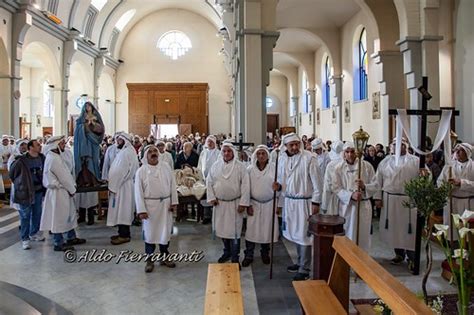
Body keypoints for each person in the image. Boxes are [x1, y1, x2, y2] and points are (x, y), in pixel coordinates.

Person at [273, 133, 323, 281]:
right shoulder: (281, 159)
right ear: (286, 146)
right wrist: (279, 187)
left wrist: (316, 202)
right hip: (289, 202)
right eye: (291, 145)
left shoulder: (309, 158)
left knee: (304, 236)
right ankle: (300, 261)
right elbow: (283, 182)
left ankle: (305, 269)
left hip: (304, 202)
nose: (294, 147)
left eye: (297, 144)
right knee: (295, 233)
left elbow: (317, 183)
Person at [374, 138, 420, 270]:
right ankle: (399, 254)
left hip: (408, 200)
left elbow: (425, 176)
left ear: (406, 146)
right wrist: (378, 198)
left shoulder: (415, 161)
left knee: (409, 231)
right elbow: (378, 180)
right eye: (394, 144)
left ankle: (412, 258)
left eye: (400, 144)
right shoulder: (385, 162)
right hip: (390, 200)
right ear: (391, 147)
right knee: (395, 230)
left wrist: (424, 175)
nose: (397, 146)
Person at [135, 145, 178, 272]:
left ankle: (165, 256)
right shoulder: (141, 171)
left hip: (165, 205)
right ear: (146, 155)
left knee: (165, 232)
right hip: (149, 208)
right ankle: (149, 259)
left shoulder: (165, 167)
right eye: (150, 152)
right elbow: (138, 192)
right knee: (150, 234)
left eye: (155, 151)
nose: (153, 153)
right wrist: (141, 210)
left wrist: (174, 202)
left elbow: (172, 185)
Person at [206, 142, 250, 266]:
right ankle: (227, 252)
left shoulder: (240, 167)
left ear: (233, 152)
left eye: (229, 151)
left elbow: (246, 185)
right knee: (222, 231)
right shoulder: (215, 166)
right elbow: (209, 182)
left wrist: (243, 203)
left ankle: (235, 257)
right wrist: (212, 197)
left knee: (234, 233)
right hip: (220, 204)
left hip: (235, 205)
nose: (226, 153)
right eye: (224, 151)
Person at [40, 136, 86, 251]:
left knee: (68, 215)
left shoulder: (55, 156)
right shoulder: (54, 159)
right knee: (59, 218)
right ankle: (58, 242)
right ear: (55, 145)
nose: (63, 145)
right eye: (61, 144)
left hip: (62, 191)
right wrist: (72, 189)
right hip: (59, 192)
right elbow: (64, 177)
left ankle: (71, 237)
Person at [332, 142, 377, 252]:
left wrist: (364, 186)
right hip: (347, 206)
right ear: (343, 153)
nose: (350, 154)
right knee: (347, 232)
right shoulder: (338, 168)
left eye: (352, 152)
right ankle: (347, 259)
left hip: (363, 206)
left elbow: (375, 184)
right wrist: (350, 195)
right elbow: (336, 187)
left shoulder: (366, 166)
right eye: (347, 152)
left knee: (362, 234)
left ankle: (362, 259)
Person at [242, 145, 279, 267]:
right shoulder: (249, 169)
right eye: (259, 154)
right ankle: (249, 254)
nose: (261, 156)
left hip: (269, 203)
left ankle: (265, 253)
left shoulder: (274, 168)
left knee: (266, 231)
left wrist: (278, 188)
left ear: (267, 155)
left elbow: (281, 185)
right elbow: (246, 189)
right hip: (254, 204)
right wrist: (247, 204)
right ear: (255, 155)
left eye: (263, 153)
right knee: (251, 232)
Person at [9, 139, 46, 249]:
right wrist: (21, 184)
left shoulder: (42, 158)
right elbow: (12, 174)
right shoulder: (21, 160)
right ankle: (25, 238)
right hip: (25, 191)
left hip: (38, 191)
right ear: (31, 148)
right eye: (37, 145)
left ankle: (33, 233)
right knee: (25, 215)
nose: (40, 146)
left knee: (37, 213)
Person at [107, 133, 140, 245]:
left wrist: (113, 186)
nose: (117, 142)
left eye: (119, 140)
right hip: (123, 185)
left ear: (125, 141)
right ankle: (122, 232)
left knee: (123, 211)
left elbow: (120, 172)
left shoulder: (126, 152)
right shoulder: (126, 151)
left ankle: (124, 235)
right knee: (121, 210)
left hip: (123, 186)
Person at [437, 143, 474, 240]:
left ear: (467, 152)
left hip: (468, 203)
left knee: (467, 233)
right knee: (452, 232)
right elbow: (440, 181)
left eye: (460, 150)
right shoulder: (449, 166)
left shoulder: (473, 166)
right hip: (452, 201)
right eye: (456, 150)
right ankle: (453, 252)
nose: (457, 152)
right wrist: (445, 187)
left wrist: (461, 183)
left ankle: (467, 253)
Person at [73, 102, 105, 186]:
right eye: (86, 106)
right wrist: (85, 126)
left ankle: (95, 179)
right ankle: (86, 180)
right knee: (84, 161)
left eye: (89, 105)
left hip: (93, 142)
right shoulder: (81, 118)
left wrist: (94, 124)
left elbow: (101, 129)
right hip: (84, 142)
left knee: (94, 161)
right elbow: (77, 129)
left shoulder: (96, 116)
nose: (88, 107)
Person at [197, 135, 220, 224]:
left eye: (211, 142)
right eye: (208, 142)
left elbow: (218, 165)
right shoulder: (203, 152)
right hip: (204, 178)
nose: (210, 143)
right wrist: (199, 174)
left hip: (214, 178)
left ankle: (214, 215)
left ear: (215, 143)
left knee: (213, 196)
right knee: (205, 196)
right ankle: (206, 216)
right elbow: (200, 164)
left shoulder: (218, 153)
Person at [321, 140, 344, 214]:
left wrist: (324, 205)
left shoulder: (331, 165)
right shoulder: (347, 163)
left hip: (334, 198)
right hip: (347, 199)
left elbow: (327, 187)